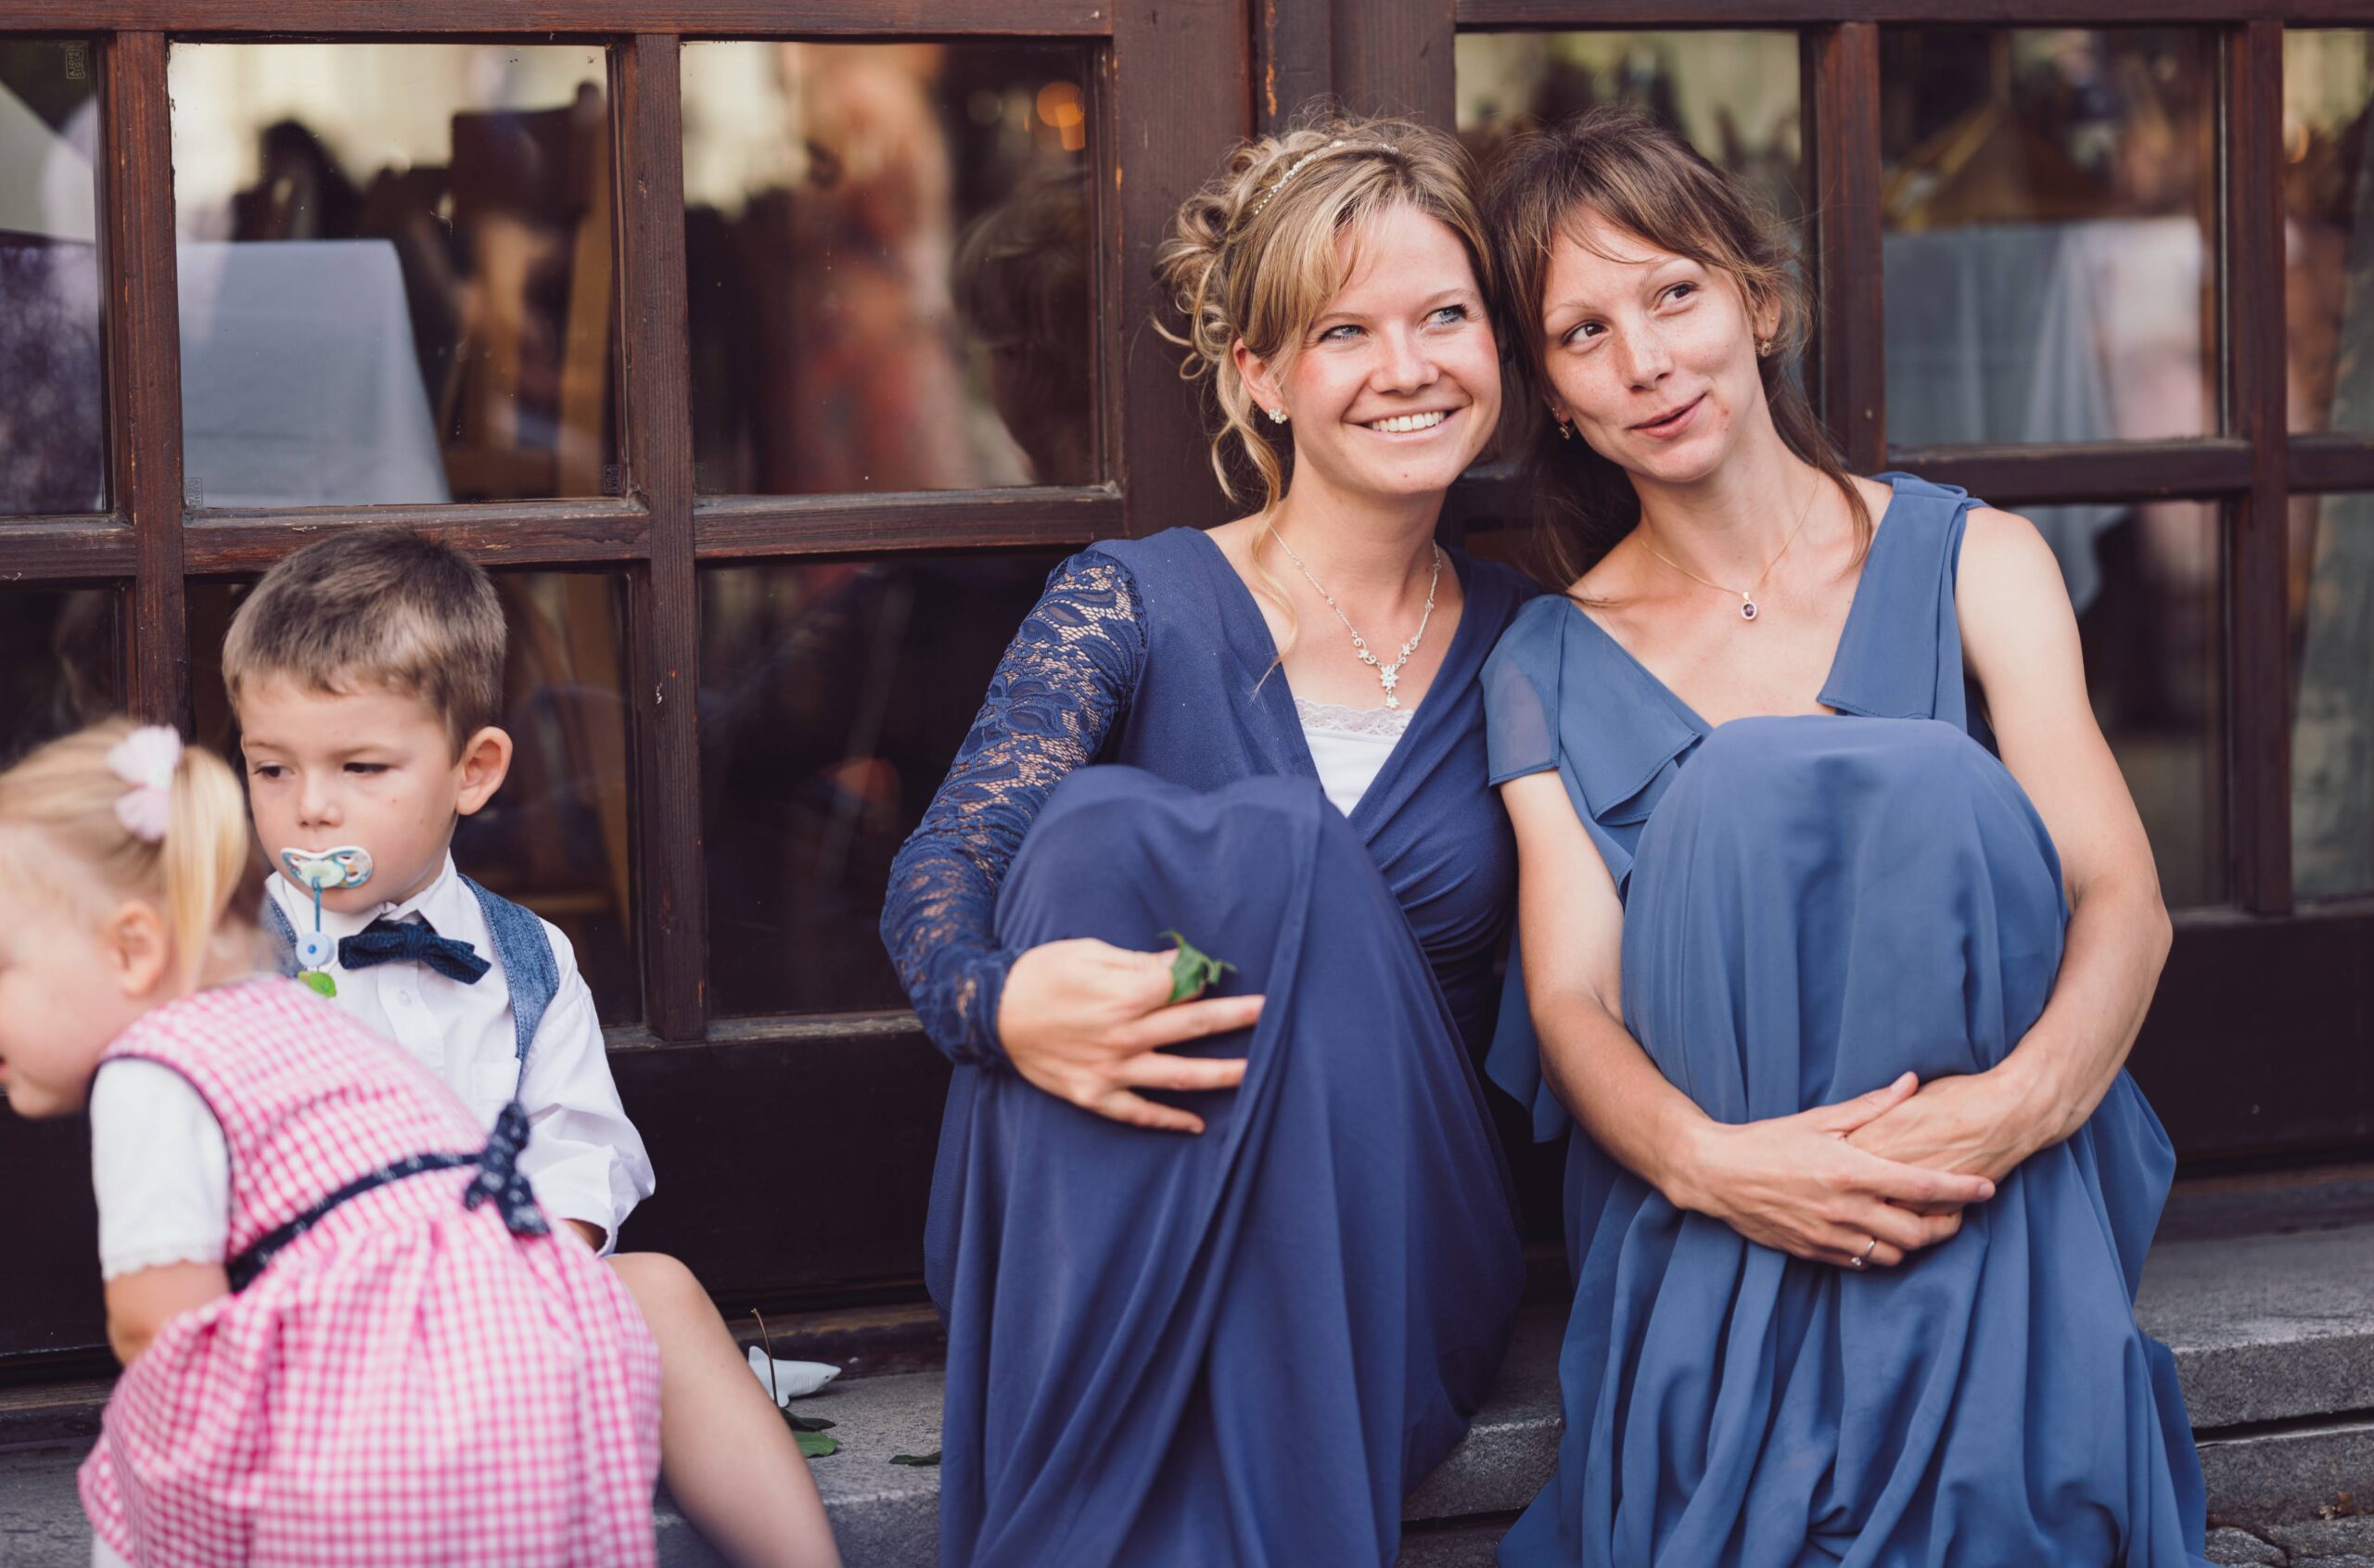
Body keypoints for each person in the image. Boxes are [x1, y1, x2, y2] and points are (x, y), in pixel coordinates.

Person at [1478, 108, 2208, 1566]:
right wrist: (1717, 1164)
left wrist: (2003, 1114)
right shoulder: (1545, 661)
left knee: (1922, 791)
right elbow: (1572, 999)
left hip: (1986, 1178)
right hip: (1721, 1201)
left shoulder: (1977, 559)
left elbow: (2121, 895)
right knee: (1745, 798)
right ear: (1551, 394)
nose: (1645, 361)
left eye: (1674, 293)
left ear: (1759, 301)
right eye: (1582, 334)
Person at [880, 111, 1529, 1566]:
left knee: (1270, 839)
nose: (1409, 365)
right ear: (1259, 375)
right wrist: (999, 1004)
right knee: (1090, 829)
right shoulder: (1131, 599)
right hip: (1113, 1191)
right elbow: (946, 865)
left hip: (1384, 1232)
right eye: (1344, 331)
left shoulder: (1535, 642)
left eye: (1445, 315)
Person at [217, 530, 840, 1568]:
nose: (311, 805)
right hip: (328, 1327)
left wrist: (529, 1257)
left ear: (473, 771)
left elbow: (579, 1137)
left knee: (658, 1289)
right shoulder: (232, 960)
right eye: (272, 767)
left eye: (361, 767)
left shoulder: (528, 955)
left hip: (500, 1299)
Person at [0, 720, 660, 1566]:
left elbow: (160, 1334)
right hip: (531, 1390)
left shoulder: (151, 1068)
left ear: (134, 948)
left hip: (369, 1435)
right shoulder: (293, 1018)